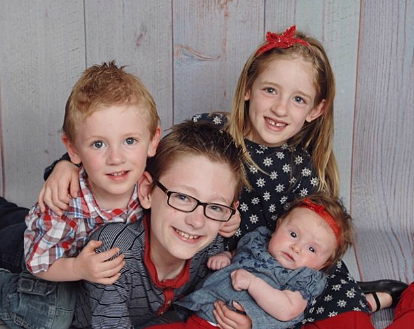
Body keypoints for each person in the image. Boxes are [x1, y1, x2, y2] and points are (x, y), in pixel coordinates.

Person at [31, 26, 409, 328]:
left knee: (325, 293)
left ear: (315, 109)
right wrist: (68, 165)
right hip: (200, 249)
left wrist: (258, 312)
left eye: (297, 99)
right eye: (270, 90)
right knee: (19, 235)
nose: (280, 107)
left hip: (254, 262)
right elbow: (138, 156)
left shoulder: (300, 169)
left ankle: (367, 299)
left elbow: (313, 238)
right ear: (248, 89)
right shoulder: (211, 129)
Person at [70, 120, 247, 328]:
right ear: (146, 191)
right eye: (182, 197)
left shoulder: (212, 251)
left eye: (216, 207)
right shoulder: (114, 251)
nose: (197, 221)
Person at [149, 193, 354, 329]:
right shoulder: (258, 239)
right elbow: (238, 254)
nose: (296, 247)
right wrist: (225, 257)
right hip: (200, 307)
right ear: (279, 226)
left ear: (323, 264)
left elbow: (287, 309)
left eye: (311, 249)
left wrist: (253, 285)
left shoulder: (305, 277)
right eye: (293, 234)